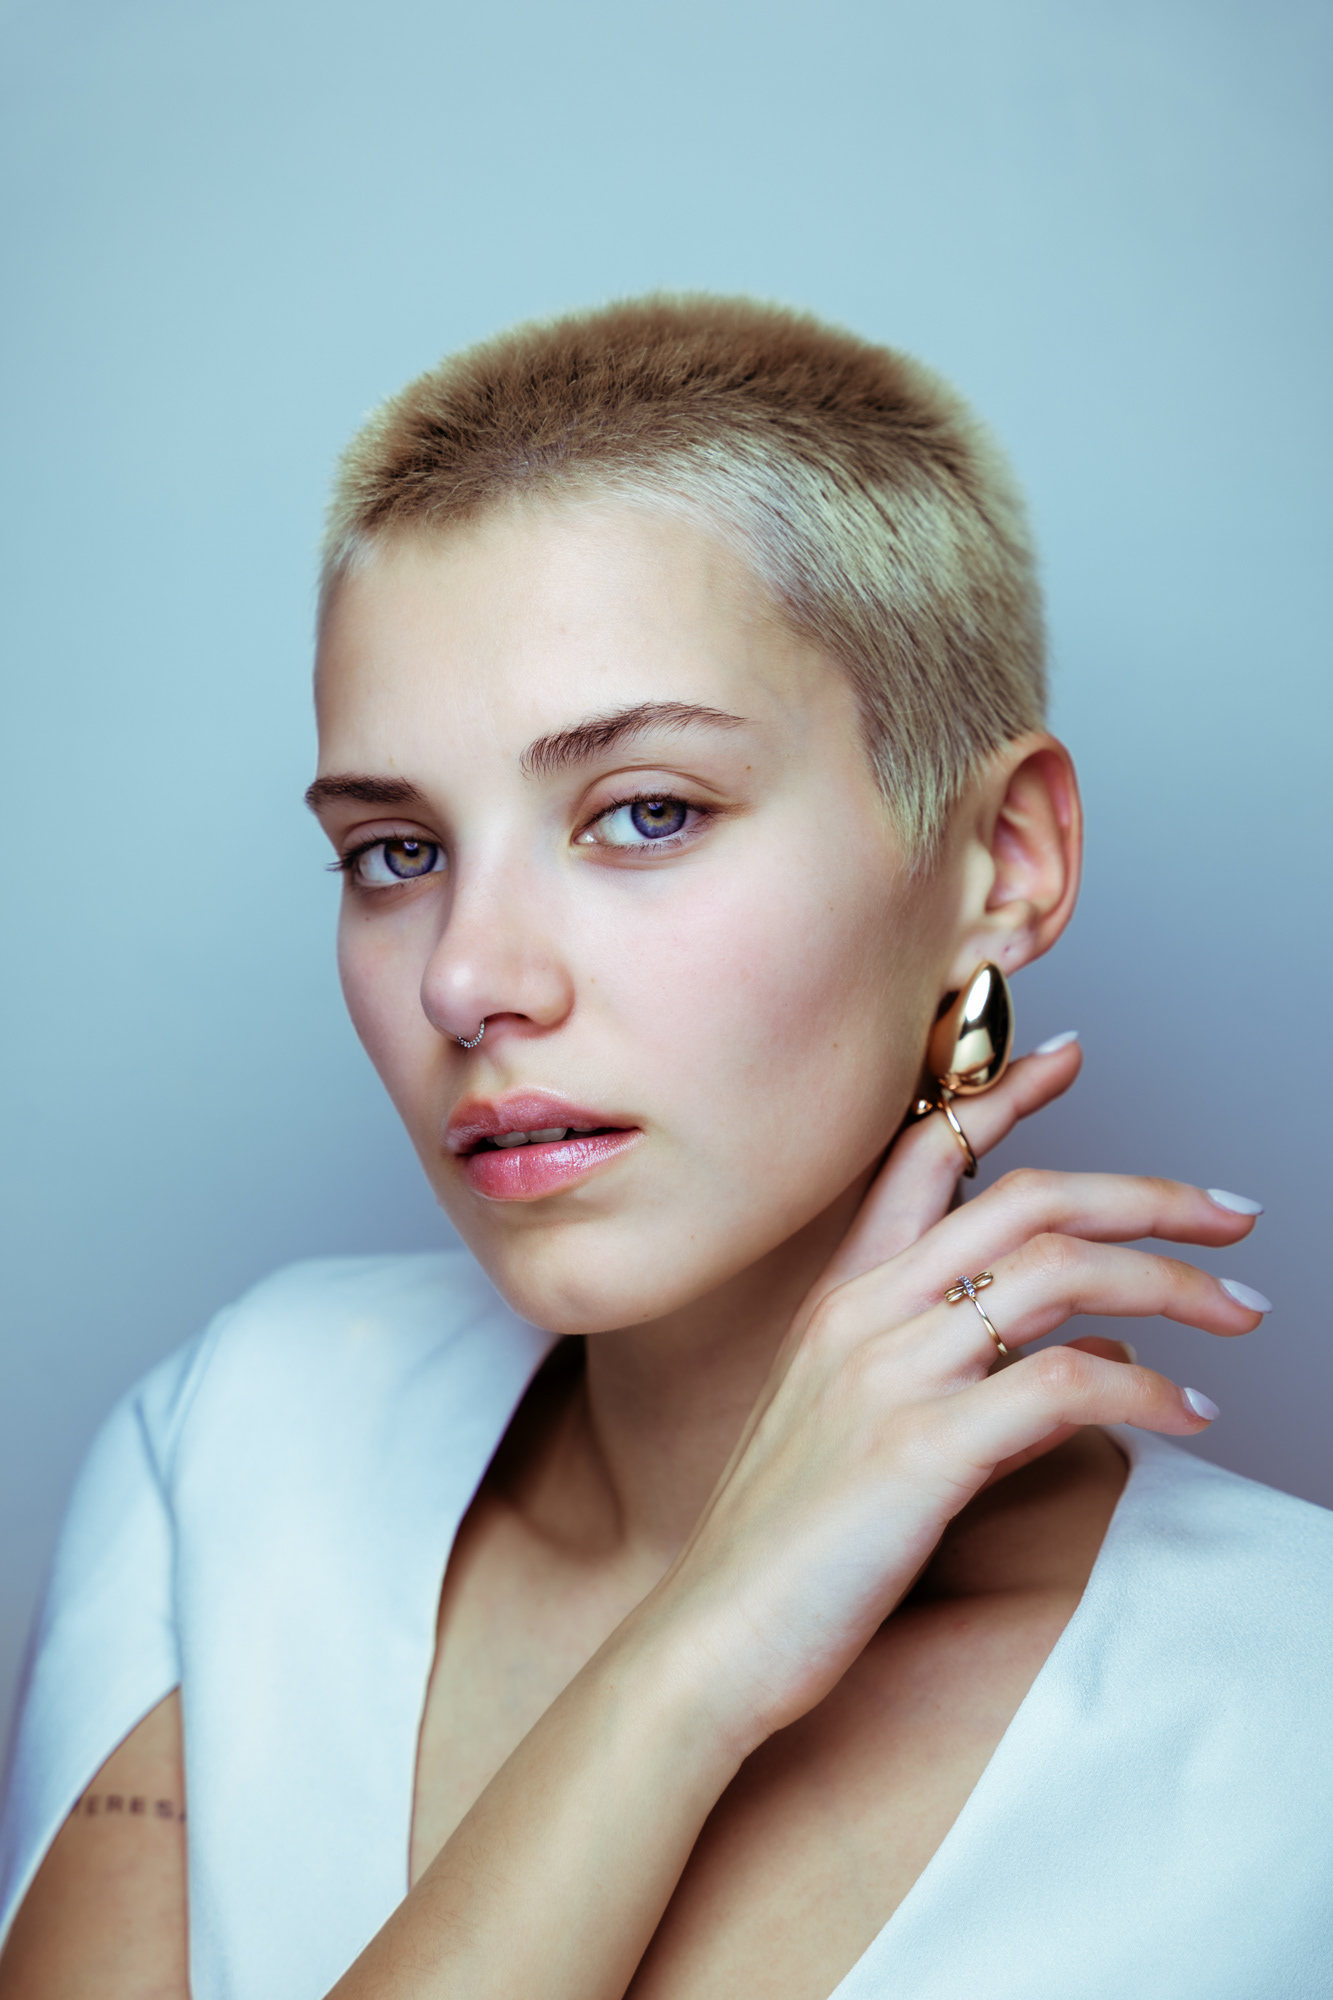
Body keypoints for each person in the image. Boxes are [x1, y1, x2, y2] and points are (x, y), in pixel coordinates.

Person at [1, 296, 1329, 2000]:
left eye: (645, 812)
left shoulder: (1292, 1708)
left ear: (1000, 860)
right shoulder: (251, 1439)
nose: (468, 978)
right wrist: (693, 1657)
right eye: (396, 851)